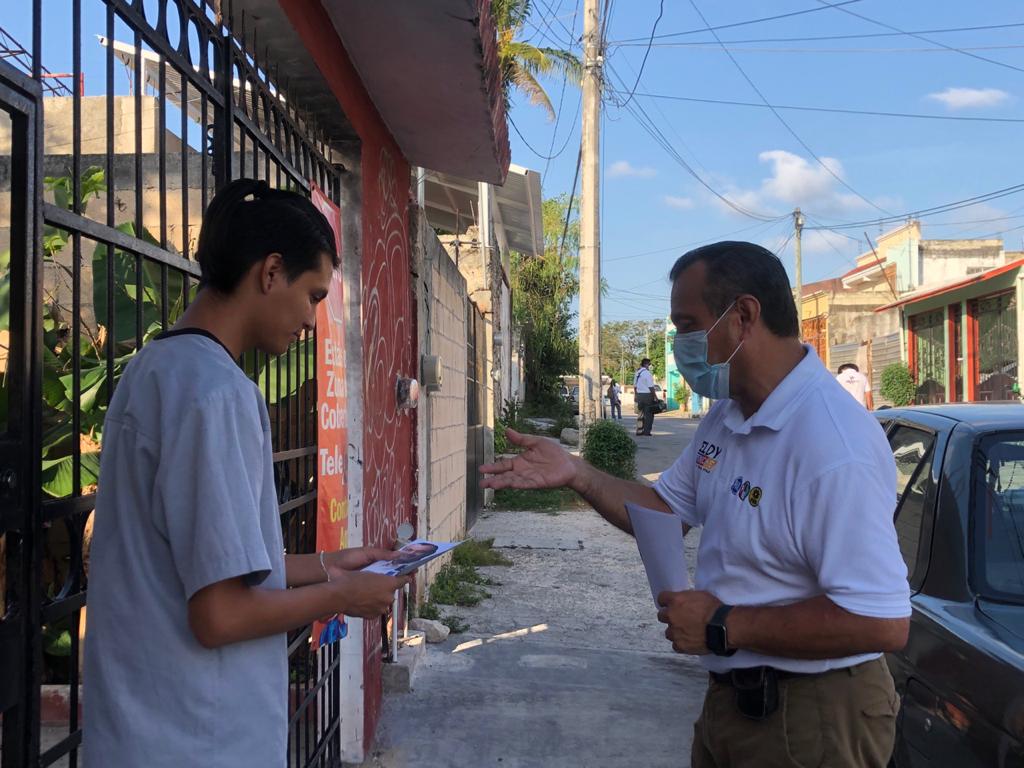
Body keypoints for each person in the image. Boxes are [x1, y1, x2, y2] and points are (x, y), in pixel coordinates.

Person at [481, 241, 910, 768]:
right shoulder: (728, 415)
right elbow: (665, 508)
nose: (682, 345)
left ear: (743, 316)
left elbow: (880, 620)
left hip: (813, 714)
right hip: (734, 698)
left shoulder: (833, 444)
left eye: (688, 326)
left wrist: (724, 625)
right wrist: (578, 473)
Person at [83, 179, 411, 768]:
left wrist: (333, 564)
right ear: (271, 272)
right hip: (198, 739)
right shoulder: (217, 394)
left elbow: (209, 564)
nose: (311, 319)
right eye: (312, 295)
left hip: (146, 729)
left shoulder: (156, 368)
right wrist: (343, 595)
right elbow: (220, 614)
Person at [634, 358, 657, 435]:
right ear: (646, 364)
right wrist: (655, 396)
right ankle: (647, 432)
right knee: (649, 414)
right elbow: (651, 387)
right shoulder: (647, 373)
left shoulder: (637, 373)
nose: (650, 366)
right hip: (647, 396)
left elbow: (635, 386)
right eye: (649, 364)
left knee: (640, 414)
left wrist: (636, 395)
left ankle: (639, 431)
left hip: (639, 395)